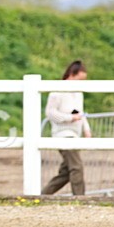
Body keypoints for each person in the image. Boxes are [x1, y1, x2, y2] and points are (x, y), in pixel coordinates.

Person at [42, 60, 93, 196]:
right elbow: (50, 113)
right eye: (80, 79)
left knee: (66, 172)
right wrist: (70, 118)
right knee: (77, 167)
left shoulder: (78, 93)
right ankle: (80, 198)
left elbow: (80, 113)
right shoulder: (57, 92)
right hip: (63, 134)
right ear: (72, 74)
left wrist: (86, 129)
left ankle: (43, 195)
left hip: (75, 134)